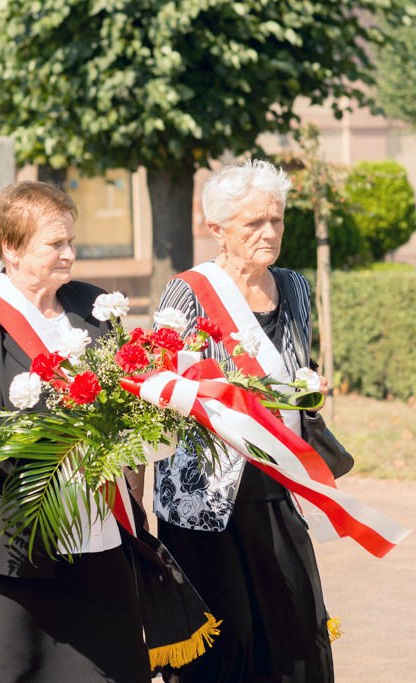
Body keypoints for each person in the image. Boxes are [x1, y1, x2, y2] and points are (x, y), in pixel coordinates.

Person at [0, 181, 150, 682]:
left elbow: (129, 398)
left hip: (98, 535)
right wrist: (61, 449)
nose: (70, 254)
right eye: (56, 244)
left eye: (71, 241)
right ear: (11, 247)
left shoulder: (94, 306)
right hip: (11, 543)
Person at [152, 159, 334, 682]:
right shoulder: (186, 291)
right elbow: (163, 388)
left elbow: (295, 367)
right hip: (206, 498)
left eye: (276, 219)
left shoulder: (295, 287)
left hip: (278, 484)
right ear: (216, 230)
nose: (270, 232)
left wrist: (310, 386)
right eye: (254, 223)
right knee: (227, 643)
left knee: (294, 630)